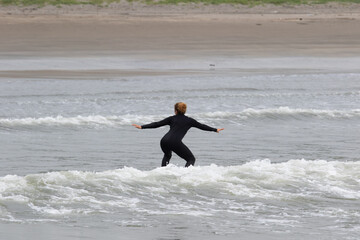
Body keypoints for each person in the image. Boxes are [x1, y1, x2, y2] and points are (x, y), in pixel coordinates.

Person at [132, 102, 224, 167]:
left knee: (167, 155)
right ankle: (186, 175)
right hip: (175, 142)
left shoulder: (171, 118)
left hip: (164, 141)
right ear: (184, 111)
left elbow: (157, 124)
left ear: (176, 110)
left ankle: (162, 171)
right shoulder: (190, 121)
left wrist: (142, 127)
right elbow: (202, 126)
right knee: (191, 159)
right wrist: (215, 129)